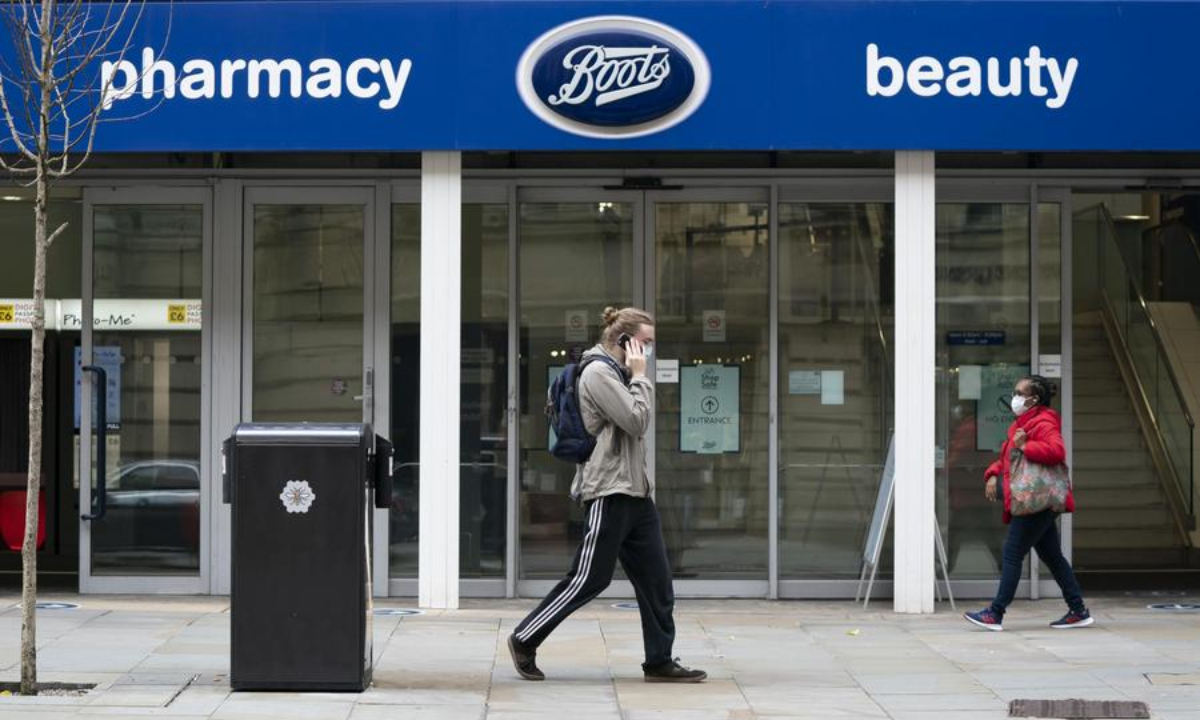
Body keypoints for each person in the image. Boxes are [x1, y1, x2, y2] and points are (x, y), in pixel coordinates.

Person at [508, 306, 707, 683]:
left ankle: (659, 660)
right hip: (609, 490)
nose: (648, 351)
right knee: (588, 579)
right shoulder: (599, 373)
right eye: (645, 343)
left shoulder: (617, 374)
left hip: (635, 493)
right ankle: (524, 638)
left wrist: (634, 377)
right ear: (625, 341)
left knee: (657, 582)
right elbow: (637, 420)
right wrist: (641, 377)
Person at [964, 375, 1093, 631]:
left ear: (1034, 399)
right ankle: (1078, 610)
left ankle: (996, 613)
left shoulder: (1044, 422)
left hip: (1036, 500)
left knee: (1012, 554)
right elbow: (1009, 459)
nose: (1015, 398)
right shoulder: (1021, 423)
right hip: (1033, 499)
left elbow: (1057, 451)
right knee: (1053, 556)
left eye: (1019, 393)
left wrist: (1027, 445)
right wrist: (991, 473)